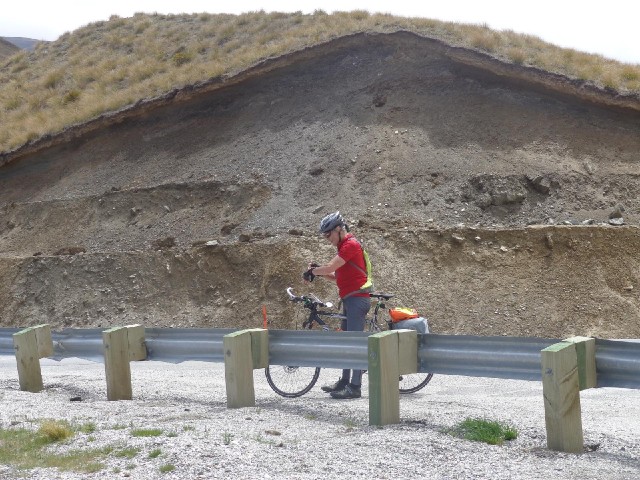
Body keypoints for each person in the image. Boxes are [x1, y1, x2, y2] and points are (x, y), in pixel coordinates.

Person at [303, 211, 371, 399]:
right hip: (350, 299)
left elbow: (331, 267)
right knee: (346, 343)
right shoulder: (343, 248)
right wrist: (318, 272)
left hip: (357, 300)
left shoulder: (350, 245)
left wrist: (314, 271)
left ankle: (355, 387)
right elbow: (335, 276)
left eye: (328, 234)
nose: (327, 238)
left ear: (339, 229)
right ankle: (344, 381)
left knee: (355, 344)